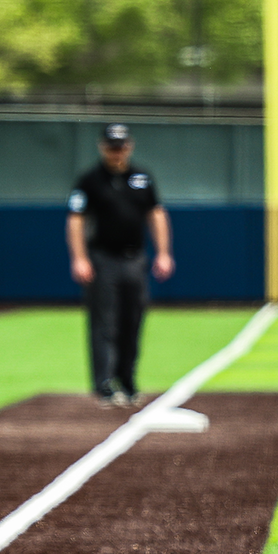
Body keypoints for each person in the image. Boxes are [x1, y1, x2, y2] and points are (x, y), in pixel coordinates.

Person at [68, 123, 174, 408]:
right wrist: (80, 258)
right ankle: (104, 384)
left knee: (132, 321)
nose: (117, 152)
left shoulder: (142, 178)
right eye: (112, 146)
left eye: (121, 146)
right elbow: (76, 220)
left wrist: (163, 252)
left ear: (130, 146)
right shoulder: (90, 180)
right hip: (103, 259)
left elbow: (156, 214)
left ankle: (127, 381)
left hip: (134, 259)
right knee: (104, 323)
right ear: (103, 147)